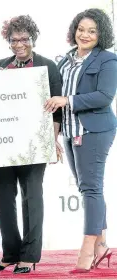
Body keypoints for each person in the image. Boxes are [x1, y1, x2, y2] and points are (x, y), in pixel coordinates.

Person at [0, 15, 63, 274]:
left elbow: (56, 110)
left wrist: (52, 141)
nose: (19, 44)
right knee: (4, 198)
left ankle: (29, 256)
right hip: (3, 146)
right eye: (14, 40)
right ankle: (9, 254)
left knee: (33, 198)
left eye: (24, 39)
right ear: (8, 42)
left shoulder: (47, 66)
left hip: (34, 146)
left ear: (33, 39)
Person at [45, 8, 117, 273]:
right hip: (70, 130)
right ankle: (102, 244)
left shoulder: (108, 60)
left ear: (101, 34)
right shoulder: (65, 60)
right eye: (81, 29)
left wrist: (68, 100)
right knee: (87, 188)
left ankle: (88, 249)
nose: (85, 35)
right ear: (74, 30)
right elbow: (53, 92)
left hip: (95, 130)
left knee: (91, 189)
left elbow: (104, 96)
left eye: (92, 31)